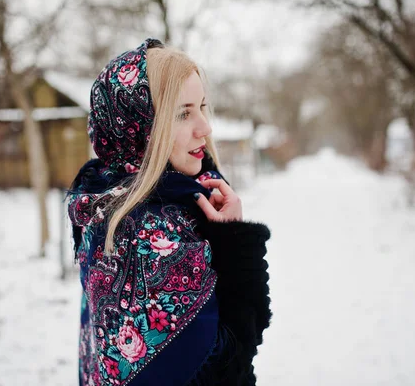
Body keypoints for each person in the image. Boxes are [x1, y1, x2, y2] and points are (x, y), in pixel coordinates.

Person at [66, 38, 271, 386]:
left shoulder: (105, 197)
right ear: (139, 128)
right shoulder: (145, 231)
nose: (205, 127)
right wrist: (235, 247)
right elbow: (225, 367)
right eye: (183, 112)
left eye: (202, 107)